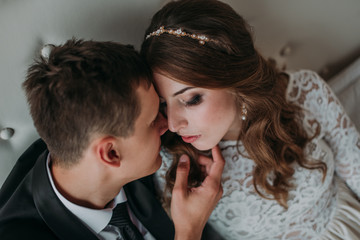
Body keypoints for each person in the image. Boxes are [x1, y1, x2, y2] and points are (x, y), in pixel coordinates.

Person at [140, 0, 360, 239]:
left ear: (234, 78)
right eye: (163, 104)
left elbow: (355, 167)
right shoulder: (172, 161)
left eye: (192, 99)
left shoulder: (305, 93)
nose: (173, 124)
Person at [0, 39, 225, 240]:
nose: (167, 125)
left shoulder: (76, 141)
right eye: (152, 122)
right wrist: (189, 231)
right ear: (111, 154)